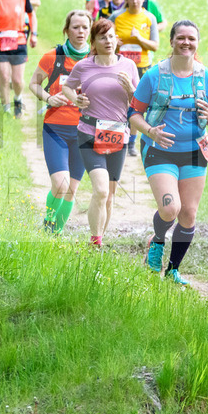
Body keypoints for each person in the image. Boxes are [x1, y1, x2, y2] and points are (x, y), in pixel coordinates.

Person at [129, 20, 208, 285]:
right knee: (171, 208)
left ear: (197, 43)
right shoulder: (154, 76)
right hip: (160, 151)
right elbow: (133, 114)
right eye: (180, 38)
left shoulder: (207, 77)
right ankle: (157, 241)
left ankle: (172, 270)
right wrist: (151, 131)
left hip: (195, 152)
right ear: (171, 41)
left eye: (191, 39)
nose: (186, 43)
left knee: (189, 214)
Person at [60, 18, 139, 248]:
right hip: (88, 132)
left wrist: (131, 90)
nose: (108, 41)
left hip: (118, 134)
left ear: (117, 39)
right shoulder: (84, 66)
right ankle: (95, 241)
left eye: (111, 36)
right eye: (102, 37)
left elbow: (139, 101)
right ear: (93, 42)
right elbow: (67, 86)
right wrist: (76, 99)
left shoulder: (129, 67)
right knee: (101, 190)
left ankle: (99, 241)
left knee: (110, 195)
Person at [28, 10, 91, 233]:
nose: (81, 31)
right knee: (60, 184)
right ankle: (48, 224)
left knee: (71, 189)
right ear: (66, 30)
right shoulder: (53, 57)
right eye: (76, 27)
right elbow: (33, 84)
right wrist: (48, 97)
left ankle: (54, 234)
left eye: (85, 27)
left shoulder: (95, 60)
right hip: (55, 129)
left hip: (84, 132)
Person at [110, 0, 160, 156]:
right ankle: (115, 137)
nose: (134, 1)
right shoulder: (116, 17)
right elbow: (103, 39)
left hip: (142, 67)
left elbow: (155, 46)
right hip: (119, 66)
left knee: (136, 106)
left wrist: (139, 38)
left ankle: (131, 143)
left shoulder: (150, 18)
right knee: (118, 103)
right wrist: (115, 43)